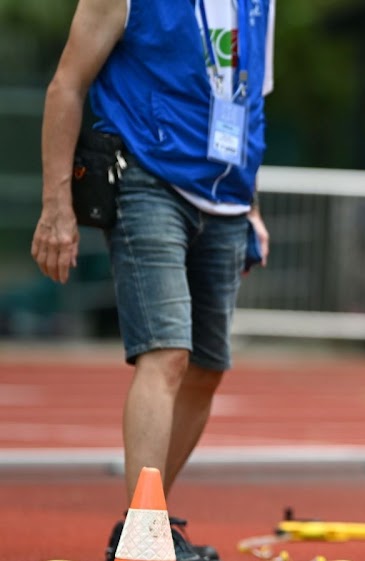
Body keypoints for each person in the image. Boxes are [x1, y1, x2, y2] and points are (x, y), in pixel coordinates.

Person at [31, 1, 275, 559]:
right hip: (147, 175)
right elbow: (65, 85)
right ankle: (145, 538)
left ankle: (144, 523)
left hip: (226, 196)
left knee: (208, 368)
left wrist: (252, 206)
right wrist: (56, 207)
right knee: (166, 353)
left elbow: (247, 99)